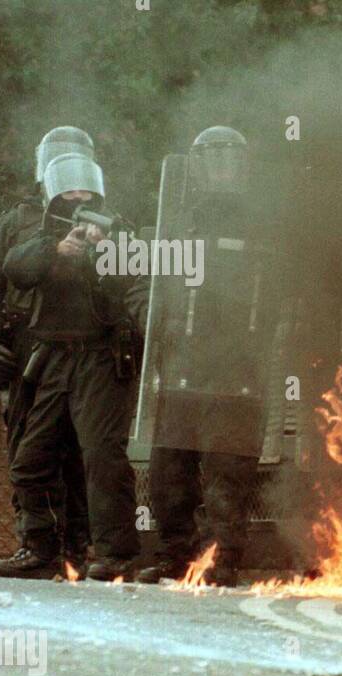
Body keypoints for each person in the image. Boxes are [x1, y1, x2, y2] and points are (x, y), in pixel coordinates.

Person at [2, 152, 145, 581]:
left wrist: (104, 253)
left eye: (84, 189)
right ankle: (41, 549)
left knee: (101, 456)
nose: (77, 197)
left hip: (100, 358)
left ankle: (116, 554)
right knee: (31, 458)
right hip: (52, 358)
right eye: (69, 189)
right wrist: (57, 250)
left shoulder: (119, 231)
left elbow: (137, 282)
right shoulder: (42, 233)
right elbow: (15, 268)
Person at [134, 127, 264, 587]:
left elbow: (284, 298)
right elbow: (147, 287)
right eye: (212, 159)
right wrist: (147, 323)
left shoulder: (262, 225)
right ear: (195, 166)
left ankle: (223, 560)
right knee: (170, 470)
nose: (221, 169)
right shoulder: (180, 222)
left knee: (229, 473)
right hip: (181, 368)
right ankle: (174, 556)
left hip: (239, 372)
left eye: (229, 158)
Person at [0, 127, 93, 578]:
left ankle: (81, 549)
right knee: (28, 447)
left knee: (83, 450)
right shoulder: (15, 222)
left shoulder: (102, 219)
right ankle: (39, 544)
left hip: (84, 348)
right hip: (27, 348)